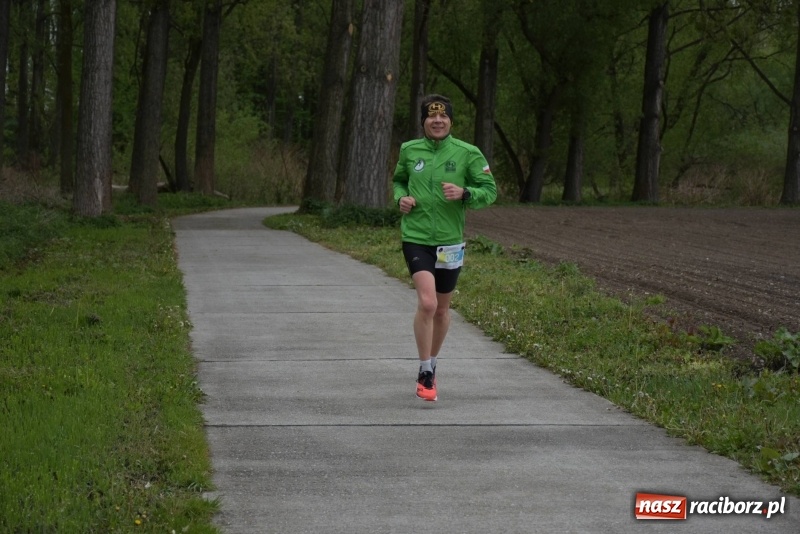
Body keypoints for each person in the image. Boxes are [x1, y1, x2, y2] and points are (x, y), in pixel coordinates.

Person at [392, 94, 497, 402]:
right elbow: (398, 181)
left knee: (442, 309)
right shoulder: (409, 151)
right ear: (423, 121)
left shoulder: (468, 153)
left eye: (443, 117)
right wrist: (400, 197)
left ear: (450, 121)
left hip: (450, 241)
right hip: (417, 236)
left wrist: (466, 193)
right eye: (430, 117)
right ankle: (425, 371)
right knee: (427, 304)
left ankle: (433, 362)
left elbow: (490, 191)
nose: (437, 121)